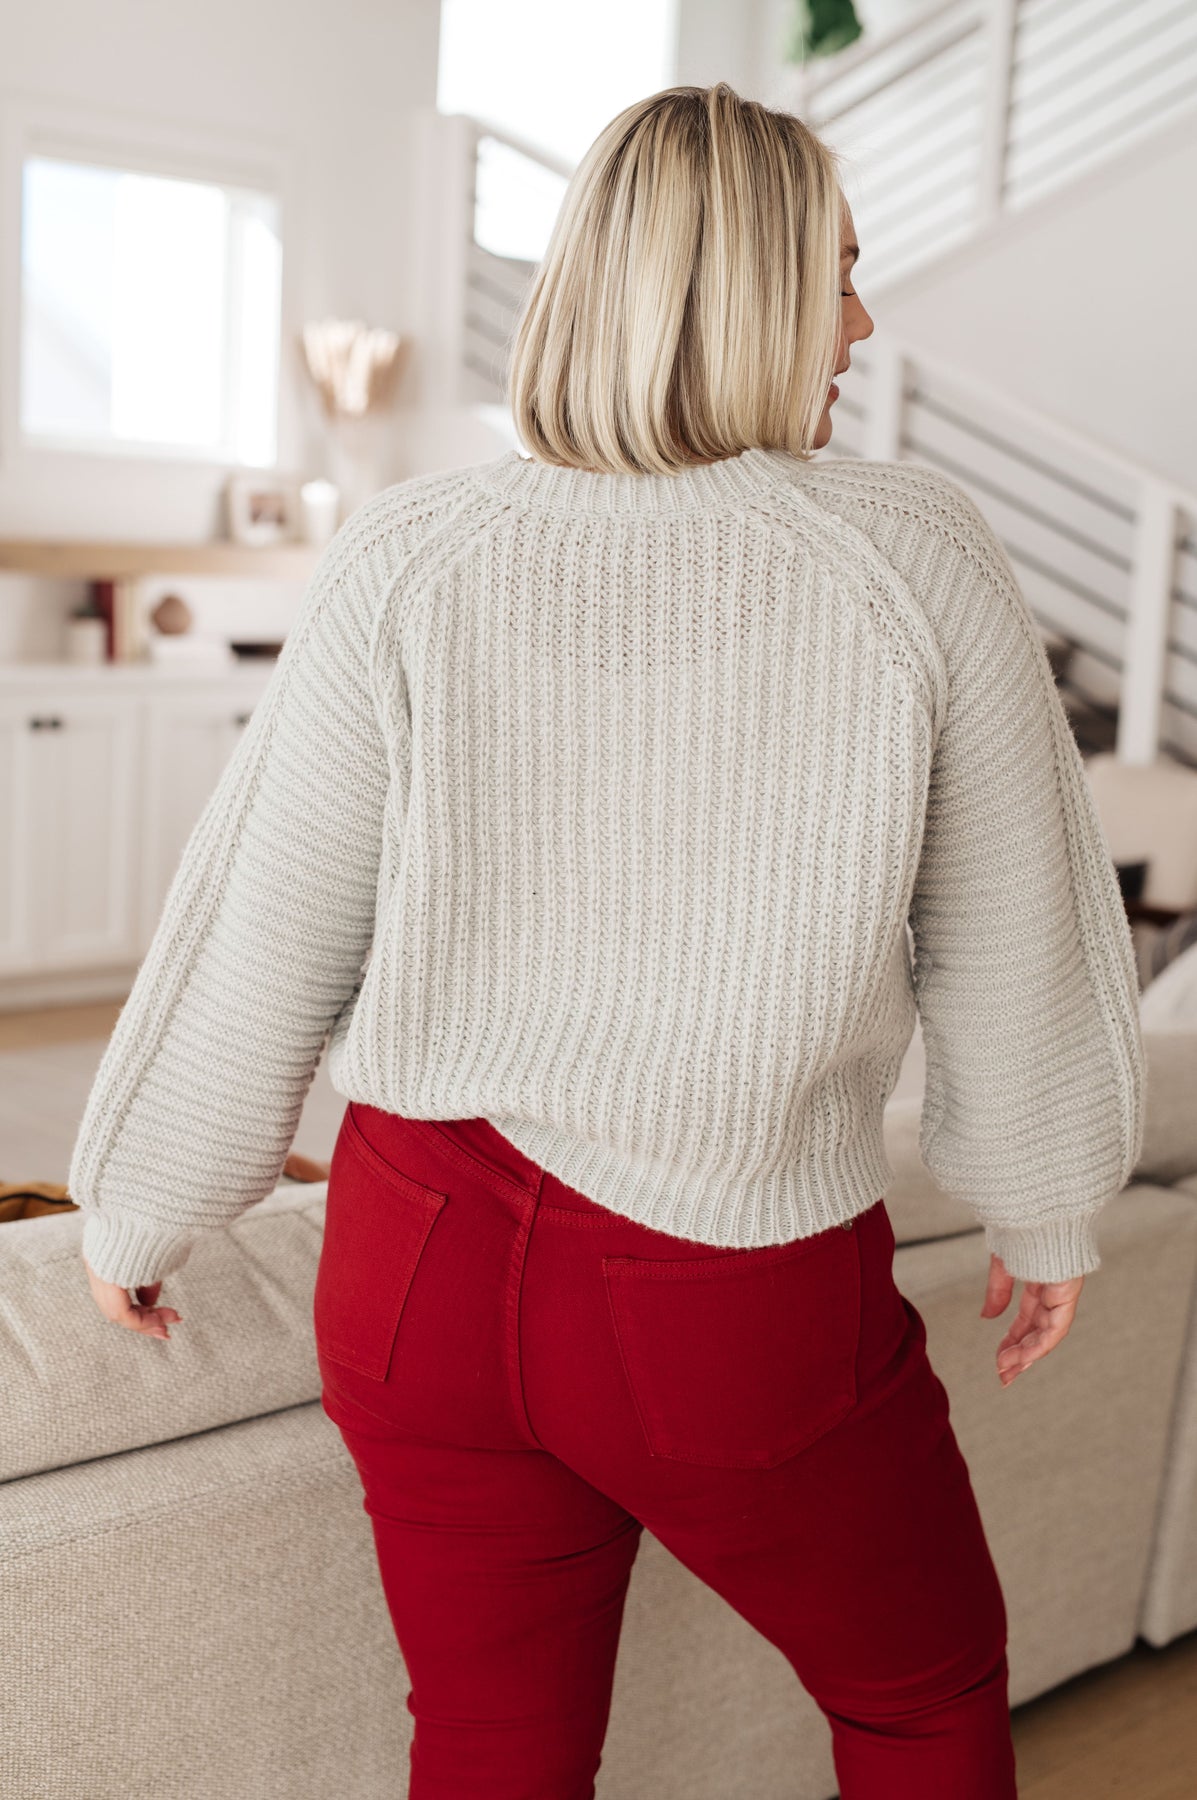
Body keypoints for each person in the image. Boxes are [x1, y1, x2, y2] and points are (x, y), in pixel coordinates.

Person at [73, 82, 1143, 1800]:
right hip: (724, 1286)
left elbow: (268, 914)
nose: (862, 325)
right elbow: (1009, 925)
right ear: (746, 294)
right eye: (836, 278)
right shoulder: (909, 549)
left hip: (413, 1261)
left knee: (490, 1745)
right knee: (918, 1699)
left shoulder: (410, 551)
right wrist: (1039, 1197)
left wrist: (141, 1197)